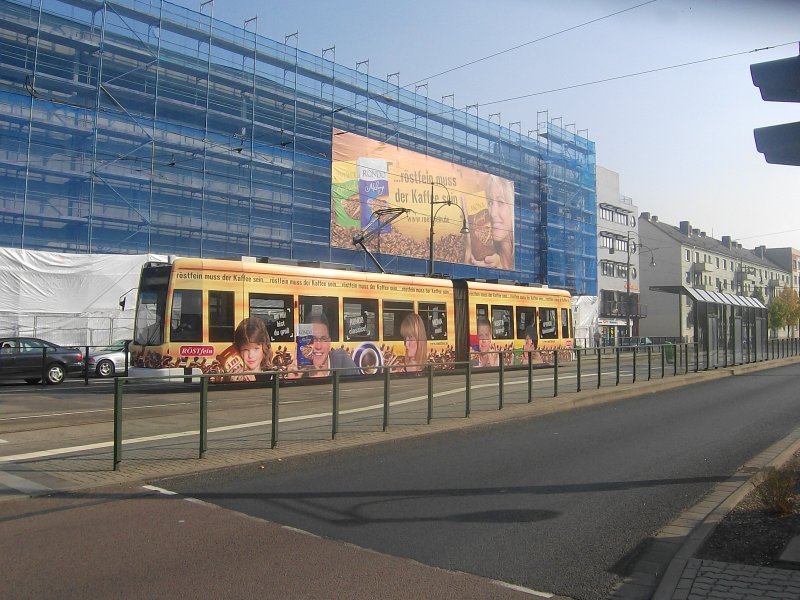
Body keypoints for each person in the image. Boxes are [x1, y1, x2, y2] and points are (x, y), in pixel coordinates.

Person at [465, 174, 514, 270]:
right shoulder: (485, 257)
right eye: (490, 202)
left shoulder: (526, 263)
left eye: (500, 202)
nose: (492, 213)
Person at [290, 313, 359, 378]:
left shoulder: (342, 360)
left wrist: (322, 382)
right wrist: (293, 383)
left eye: (323, 339)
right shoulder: (299, 371)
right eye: (313, 339)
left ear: (329, 343)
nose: (318, 346)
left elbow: (359, 386)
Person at [216, 317, 272, 382]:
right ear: (238, 350)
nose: (250, 355)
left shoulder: (271, 376)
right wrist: (231, 384)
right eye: (245, 350)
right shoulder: (230, 375)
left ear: (264, 348)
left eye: (256, 349)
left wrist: (254, 384)